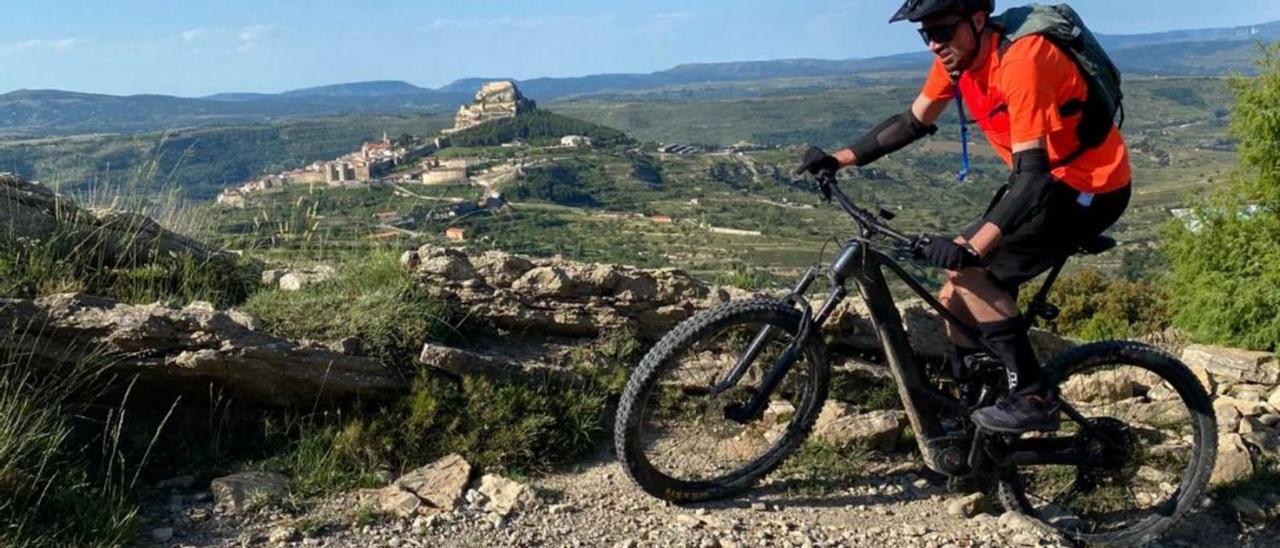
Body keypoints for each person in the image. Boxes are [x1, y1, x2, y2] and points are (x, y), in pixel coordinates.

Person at [796, 0, 1131, 433]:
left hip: (1089, 186)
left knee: (973, 272)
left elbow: (1034, 177)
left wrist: (971, 249)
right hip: (1039, 183)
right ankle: (974, 408)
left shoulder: (1023, 61)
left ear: (977, 20)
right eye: (926, 35)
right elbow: (912, 121)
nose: (936, 44)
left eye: (943, 31)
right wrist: (838, 160)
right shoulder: (957, 60)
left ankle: (1033, 396)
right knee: (953, 291)